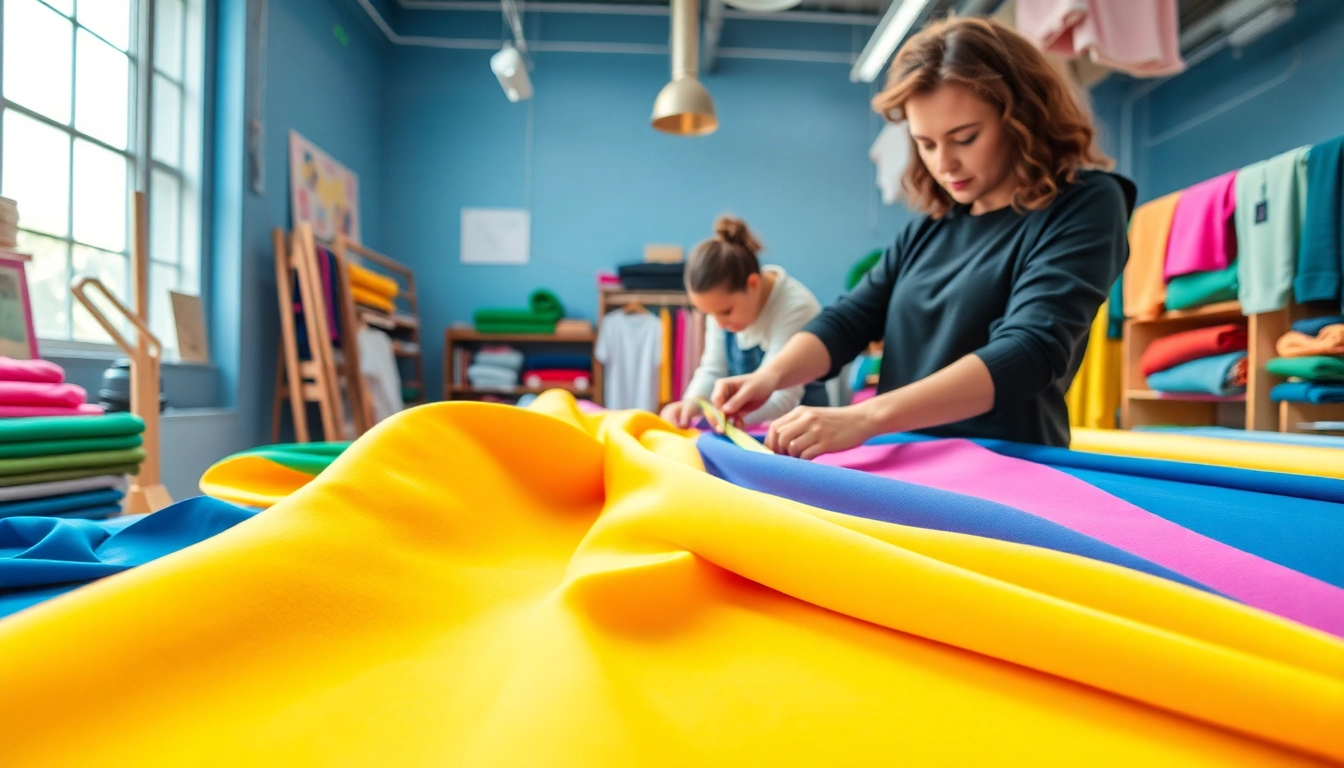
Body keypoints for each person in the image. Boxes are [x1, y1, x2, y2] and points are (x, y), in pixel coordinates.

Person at [713, 15, 1135, 457]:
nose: (944, 163)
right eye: (927, 144)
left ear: (1022, 119)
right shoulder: (931, 229)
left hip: (1005, 471)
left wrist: (865, 417)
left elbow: (1029, 352)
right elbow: (849, 320)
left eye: (965, 138)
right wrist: (769, 376)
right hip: (904, 462)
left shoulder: (1085, 204)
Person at [660, 216, 828, 429]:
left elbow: (782, 398)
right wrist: (691, 404)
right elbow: (712, 370)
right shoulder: (721, 309)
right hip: (748, 429)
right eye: (710, 315)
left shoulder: (797, 308)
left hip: (802, 434)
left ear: (753, 284)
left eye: (725, 312)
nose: (719, 324)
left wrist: (721, 420)